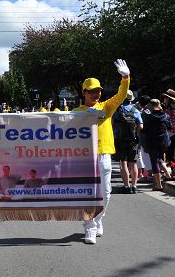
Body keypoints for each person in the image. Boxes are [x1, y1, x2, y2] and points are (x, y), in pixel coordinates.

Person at [73, 59, 130, 244]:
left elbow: (121, 95)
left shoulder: (106, 107)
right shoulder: (75, 112)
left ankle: (98, 220)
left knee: (106, 193)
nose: (96, 94)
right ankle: (89, 227)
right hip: (84, 158)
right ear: (84, 93)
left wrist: (125, 78)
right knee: (87, 194)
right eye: (92, 91)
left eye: (98, 90)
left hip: (104, 155)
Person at [112, 90, 143, 194]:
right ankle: (134, 186)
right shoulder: (135, 110)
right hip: (133, 141)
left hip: (120, 140)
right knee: (133, 163)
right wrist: (134, 133)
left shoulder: (117, 111)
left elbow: (112, 125)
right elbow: (141, 126)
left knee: (123, 163)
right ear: (131, 99)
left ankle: (126, 186)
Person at [142, 99, 173, 191]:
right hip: (163, 141)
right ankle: (167, 175)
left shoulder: (147, 117)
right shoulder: (165, 116)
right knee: (159, 158)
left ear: (151, 105)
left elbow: (143, 129)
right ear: (159, 105)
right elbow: (170, 127)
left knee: (154, 162)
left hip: (152, 142)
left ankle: (158, 185)